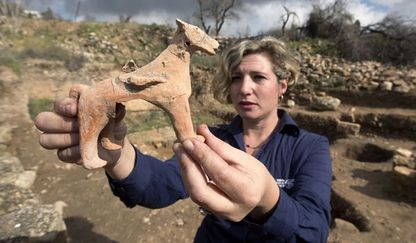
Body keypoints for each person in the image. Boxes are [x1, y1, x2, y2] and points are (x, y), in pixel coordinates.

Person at [35, 36, 332, 242]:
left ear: (282, 85)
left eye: (258, 77)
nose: (244, 89)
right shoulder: (212, 138)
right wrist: (118, 154)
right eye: (236, 78)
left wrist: (269, 200)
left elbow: (314, 230)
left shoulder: (309, 146)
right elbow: (159, 185)